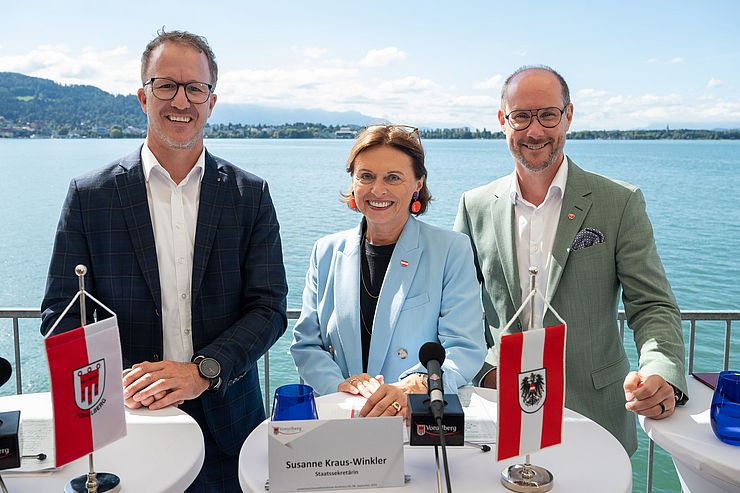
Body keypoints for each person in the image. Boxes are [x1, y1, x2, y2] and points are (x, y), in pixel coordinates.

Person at [40, 30, 288, 491]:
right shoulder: (90, 196)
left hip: (229, 424)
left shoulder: (249, 196)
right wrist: (120, 384)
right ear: (142, 96)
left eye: (196, 87)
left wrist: (202, 371)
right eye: (166, 85)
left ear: (212, 101)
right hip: (127, 425)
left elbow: (269, 307)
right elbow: (61, 314)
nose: (182, 100)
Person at [453, 65, 688, 455]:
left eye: (547, 114)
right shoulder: (474, 205)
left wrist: (660, 370)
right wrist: (481, 373)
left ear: (568, 116)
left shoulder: (619, 202)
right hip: (496, 412)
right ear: (502, 121)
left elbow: (652, 305)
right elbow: (454, 307)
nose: (535, 131)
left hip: (592, 414)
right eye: (521, 116)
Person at [291, 124, 485, 417]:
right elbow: (307, 343)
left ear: (418, 183)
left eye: (393, 178)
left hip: (414, 417)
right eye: (366, 176)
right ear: (354, 183)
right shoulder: (326, 251)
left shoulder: (451, 249)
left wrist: (413, 386)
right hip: (343, 416)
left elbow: (464, 347)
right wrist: (340, 385)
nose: (377, 189)